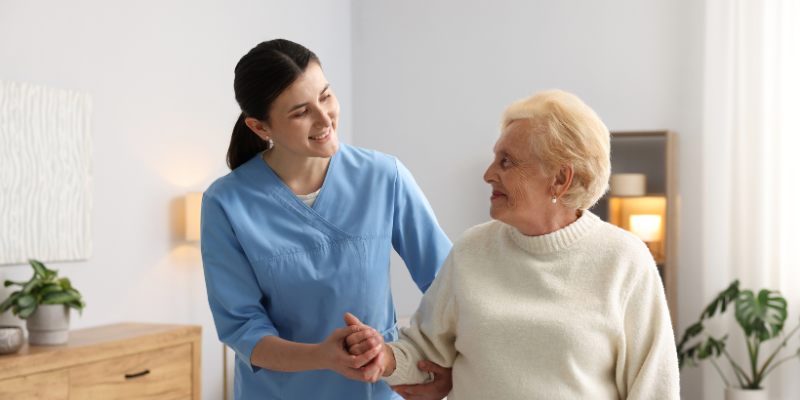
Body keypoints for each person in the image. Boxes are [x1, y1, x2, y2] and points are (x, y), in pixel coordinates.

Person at [344, 90, 681, 399]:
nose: (489, 173)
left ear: (560, 179)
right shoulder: (472, 250)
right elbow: (424, 350)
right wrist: (383, 355)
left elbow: (653, 388)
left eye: (507, 161)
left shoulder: (624, 259)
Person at [200, 39, 453, 400]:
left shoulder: (384, 177)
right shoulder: (226, 203)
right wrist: (321, 356)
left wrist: (443, 369)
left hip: (376, 391)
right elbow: (243, 330)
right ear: (260, 128)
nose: (324, 119)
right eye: (301, 112)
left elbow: (448, 286)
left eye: (326, 96)